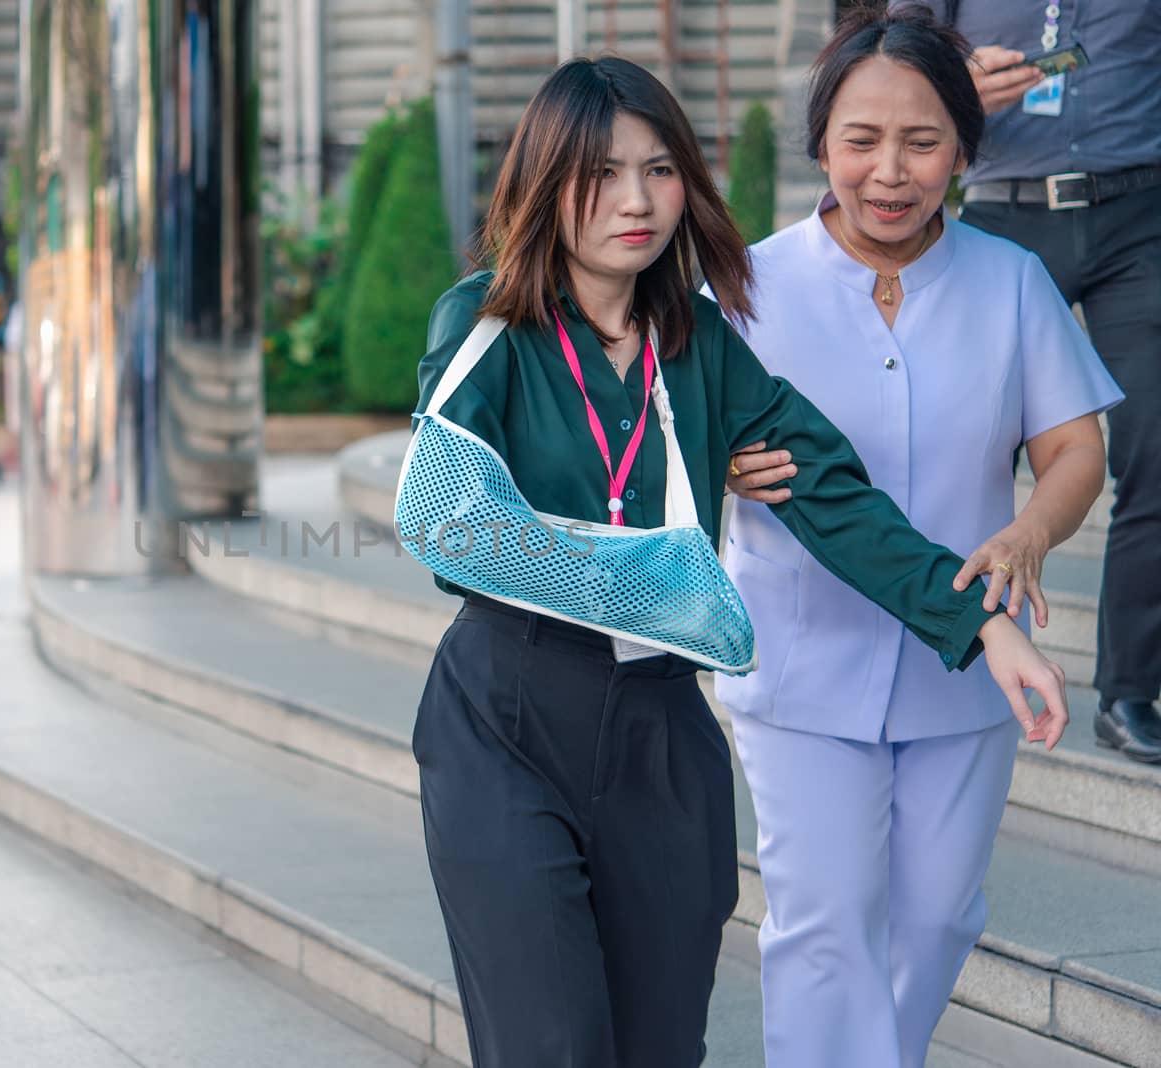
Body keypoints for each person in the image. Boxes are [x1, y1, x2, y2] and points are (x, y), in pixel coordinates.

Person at [405, 54, 1071, 1068]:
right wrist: (657, 563)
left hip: (663, 733)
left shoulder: (701, 343)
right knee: (553, 1044)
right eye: (602, 172)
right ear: (544, 181)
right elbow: (450, 523)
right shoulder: (484, 322)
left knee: (662, 1043)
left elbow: (836, 501)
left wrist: (983, 626)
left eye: (661, 169)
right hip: (508, 714)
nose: (636, 201)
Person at [719, 10, 1122, 1067]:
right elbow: (663, 440)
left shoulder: (1010, 281)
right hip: (801, 658)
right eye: (860, 140)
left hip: (969, 665)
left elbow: (1075, 449)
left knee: (940, 918)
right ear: (821, 145)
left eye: (921, 141)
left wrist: (1031, 532)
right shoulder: (746, 292)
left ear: (962, 151)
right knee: (824, 925)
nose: (888, 172)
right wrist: (709, 466)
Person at [885, 0, 1161, 762]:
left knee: (1157, 450)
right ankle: (936, 639)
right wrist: (955, 82)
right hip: (1006, 213)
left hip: (1139, 213)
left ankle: (1131, 690)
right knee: (953, 443)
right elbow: (893, 64)